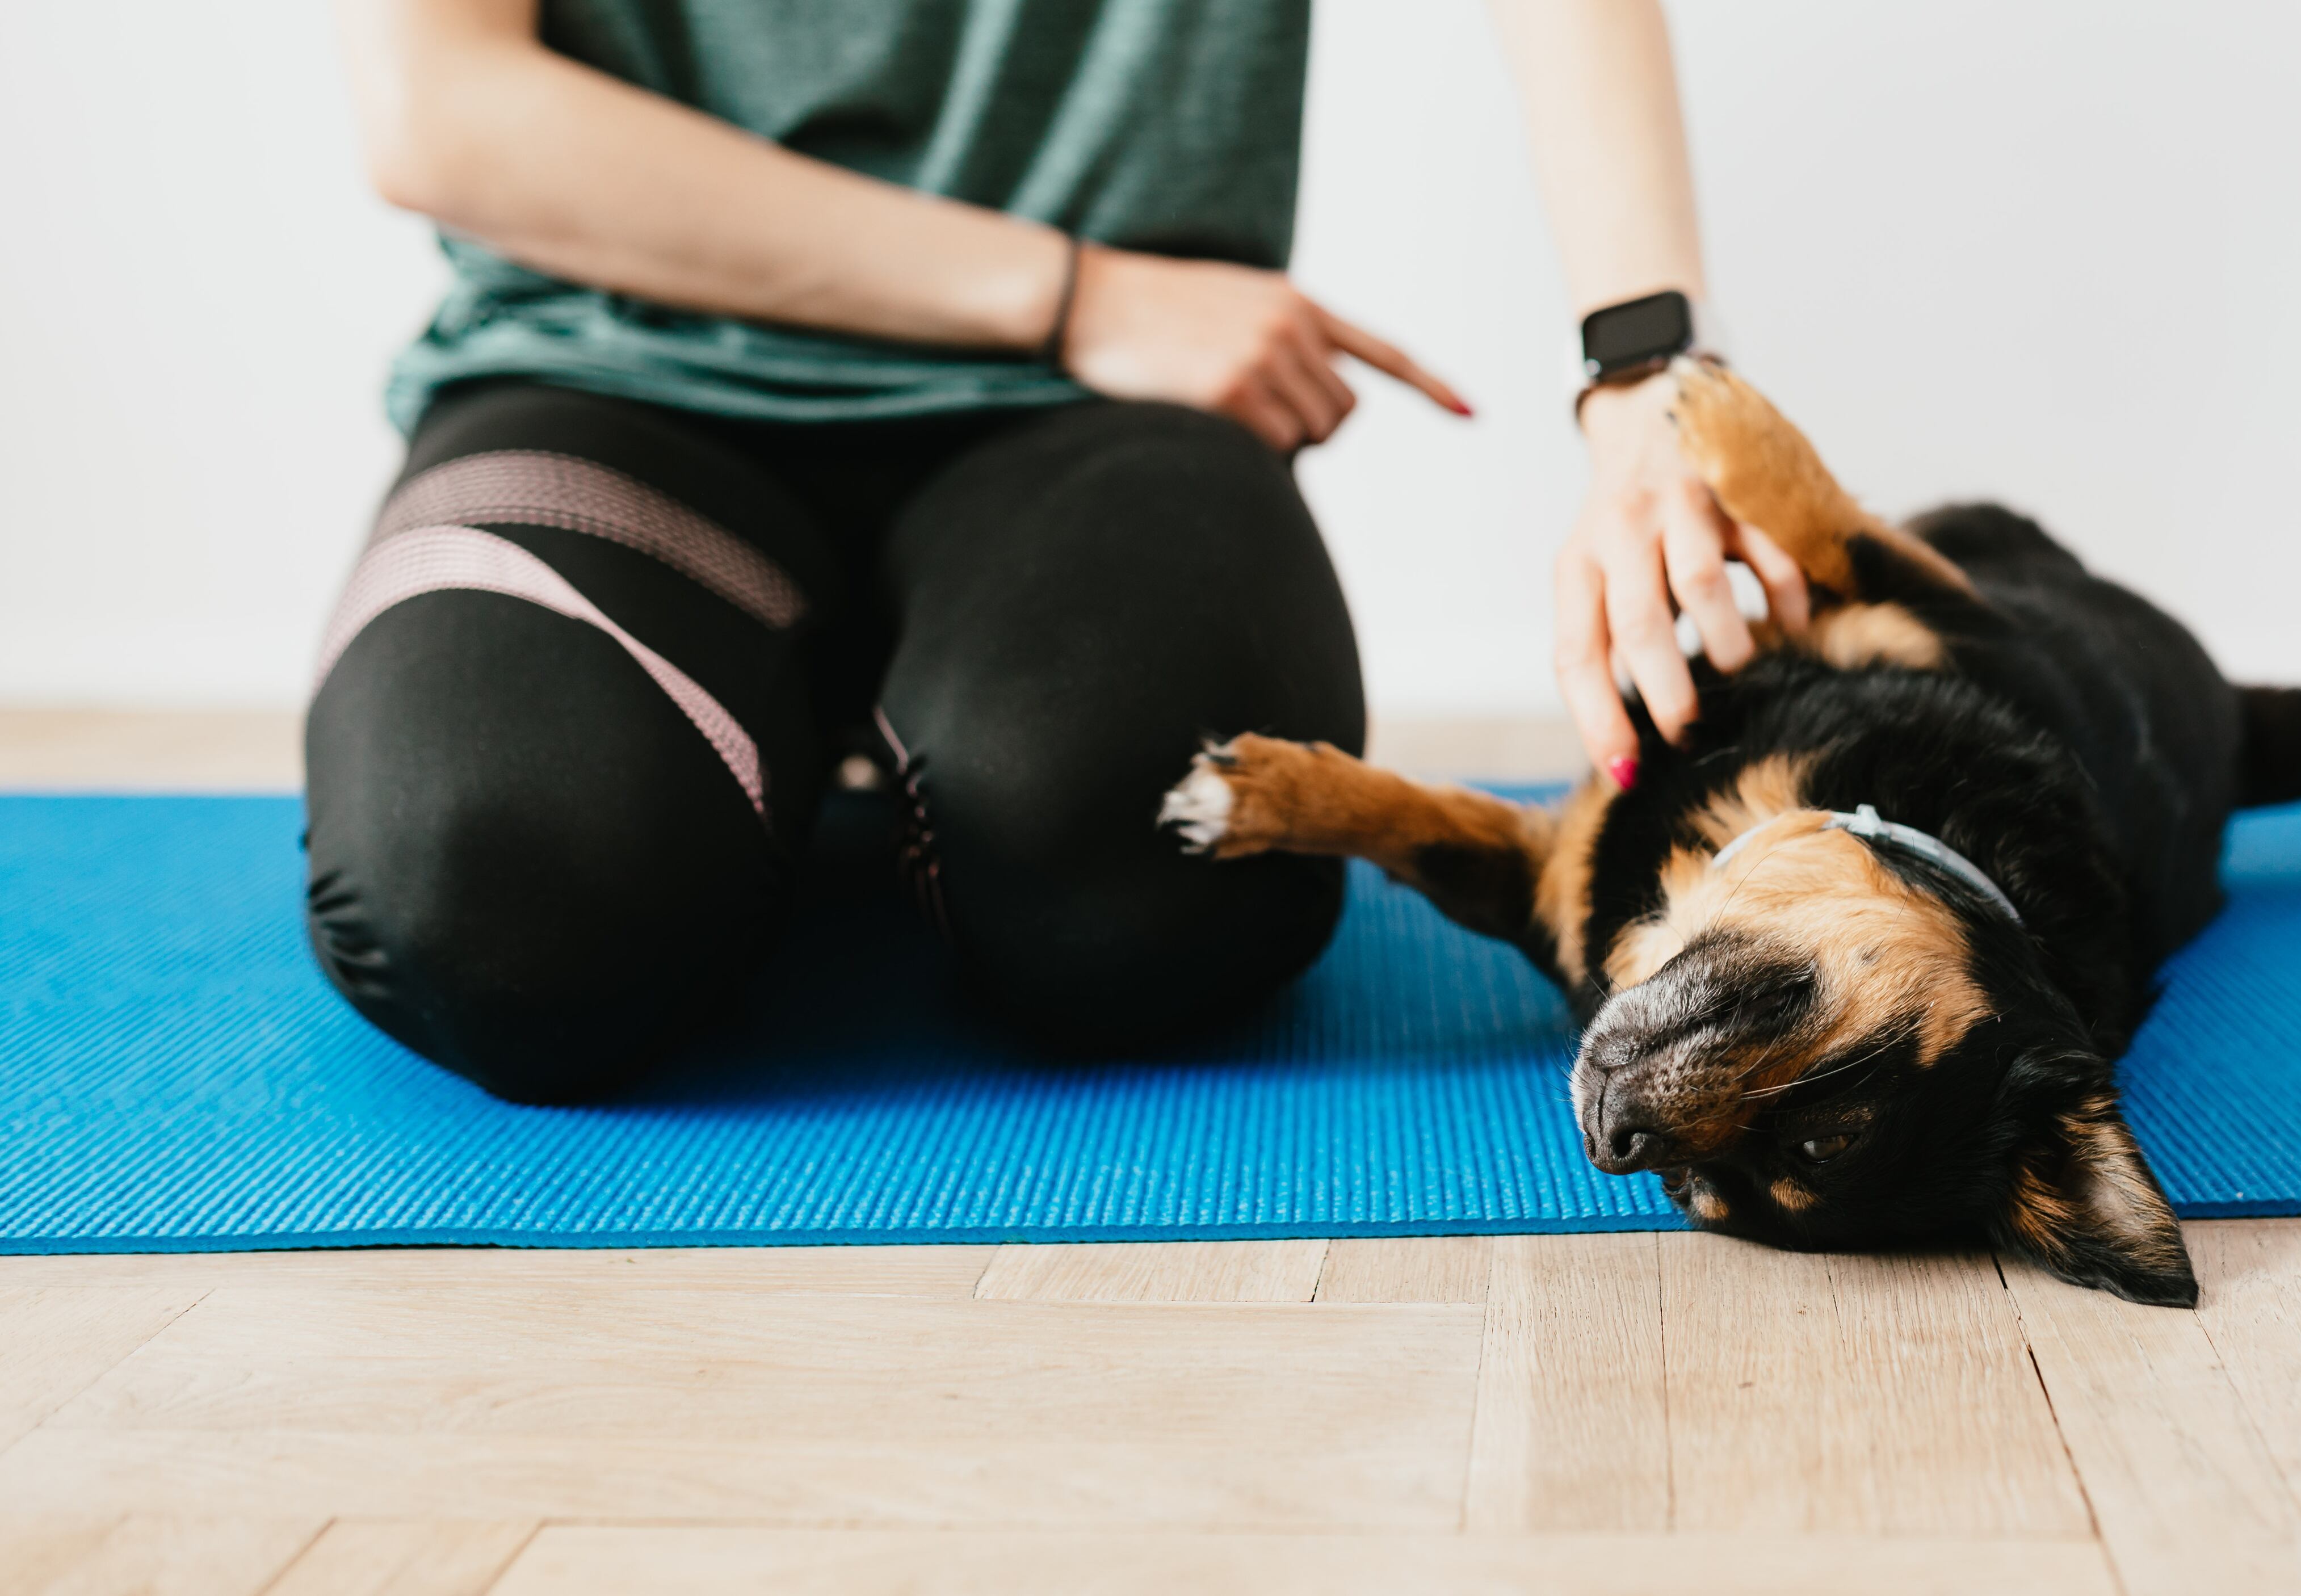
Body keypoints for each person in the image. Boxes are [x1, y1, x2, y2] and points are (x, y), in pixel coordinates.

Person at [318, 0, 1808, 1102]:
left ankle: (851, 794)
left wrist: (1649, 382)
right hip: (612, 378)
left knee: (1148, 880)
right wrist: (1067, 291)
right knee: (503, 908)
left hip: (1097, 416)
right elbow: (439, 106)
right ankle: (770, 795)